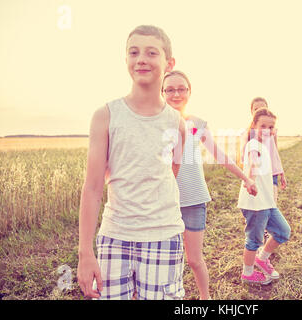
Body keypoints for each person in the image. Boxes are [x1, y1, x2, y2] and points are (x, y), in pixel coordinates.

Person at [77, 25, 187, 300]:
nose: (141, 59)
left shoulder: (177, 123)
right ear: (126, 59)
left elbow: (171, 172)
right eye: (134, 52)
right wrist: (85, 252)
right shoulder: (106, 115)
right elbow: (92, 187)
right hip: (115, 237)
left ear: (169, 63)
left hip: (163, 236)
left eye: (151, 52)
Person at [162, 70, 257, 299]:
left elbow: (219, 154)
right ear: (162, 92)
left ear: (189, 92)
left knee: (194, 259)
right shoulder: (155, 122)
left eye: (181, 89)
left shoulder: (195, 124)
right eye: (170, 89)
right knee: (167, 260)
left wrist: (246, 178)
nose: (176, 94)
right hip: (163, 202)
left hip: (193, 199)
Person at [237, 107, 291, 285]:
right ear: (254, 125)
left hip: (267, 202)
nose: (267, 130)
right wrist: (250, 180)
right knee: (254, 240)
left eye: (271, 127)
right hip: (255, 203)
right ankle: (248, 273)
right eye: (263, 126)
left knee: (283, 231)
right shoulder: (253, 145)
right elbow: (253, 162)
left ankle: (262, 259)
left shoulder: (262, 145)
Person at [240, 97, 286, 203]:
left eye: (262, 108)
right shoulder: (246, 133)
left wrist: (281, 172)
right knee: (256, 206)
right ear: (251, 112)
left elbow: (275, 152)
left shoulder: (272, 131)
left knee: (271, 205)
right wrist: (249, 177)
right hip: (257, 175)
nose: (259, 110)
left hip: (272, 173)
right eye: (256, 109)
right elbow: (244, 157)